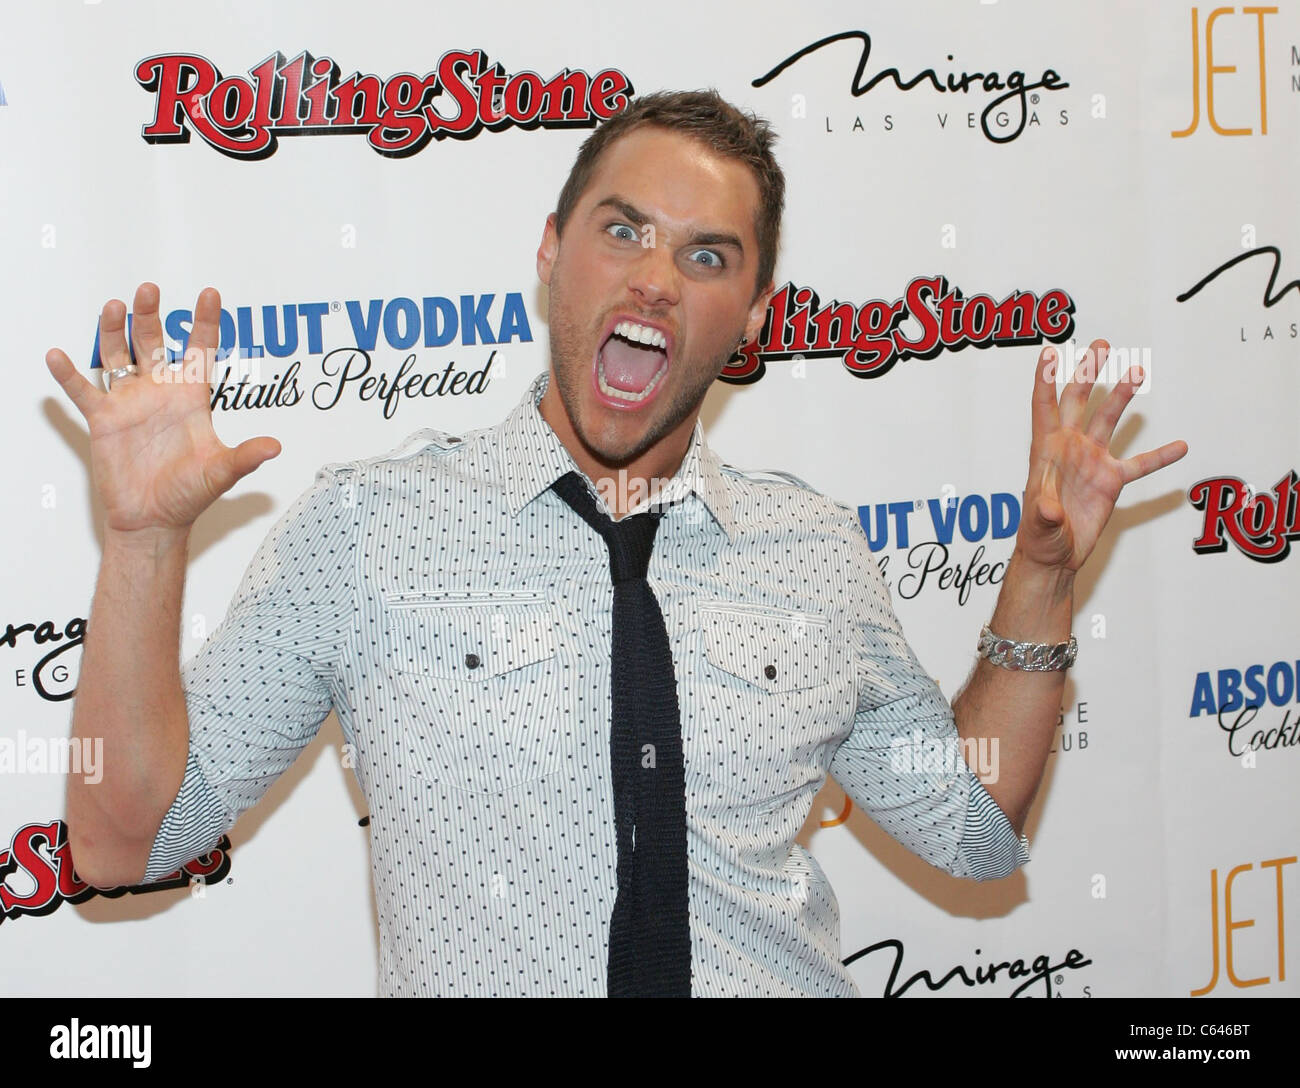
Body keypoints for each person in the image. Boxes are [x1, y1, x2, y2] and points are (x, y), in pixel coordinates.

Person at [46, 89, 1186, 997]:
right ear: (550, 254)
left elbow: (975, 831)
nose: (652, 276)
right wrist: (143, 540)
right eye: (621, 229)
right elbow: (118, 840)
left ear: (752, 318)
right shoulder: (368, 529)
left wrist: (1039, 575)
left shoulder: (814, 548)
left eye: (705, 256)